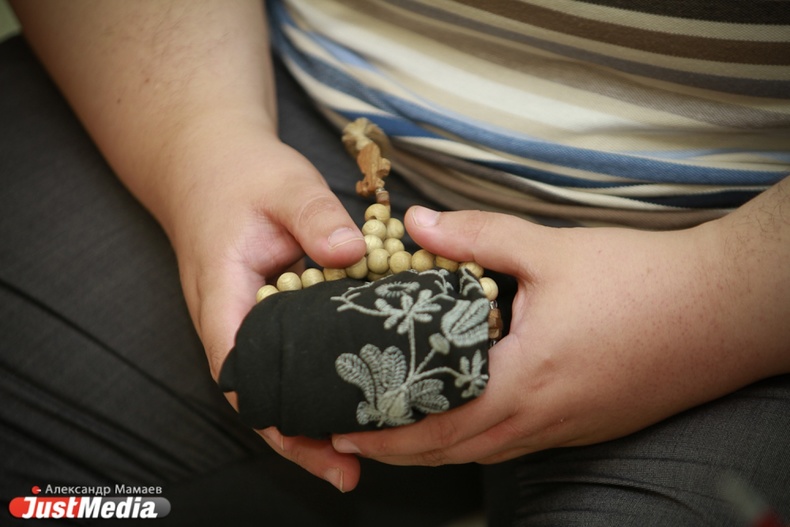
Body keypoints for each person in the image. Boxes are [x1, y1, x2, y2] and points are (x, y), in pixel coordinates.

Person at [2, 1, 788, 525]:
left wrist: (719, 294)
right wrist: (197, 141)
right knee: (42, 496)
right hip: (277, 109)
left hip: (739, 264)